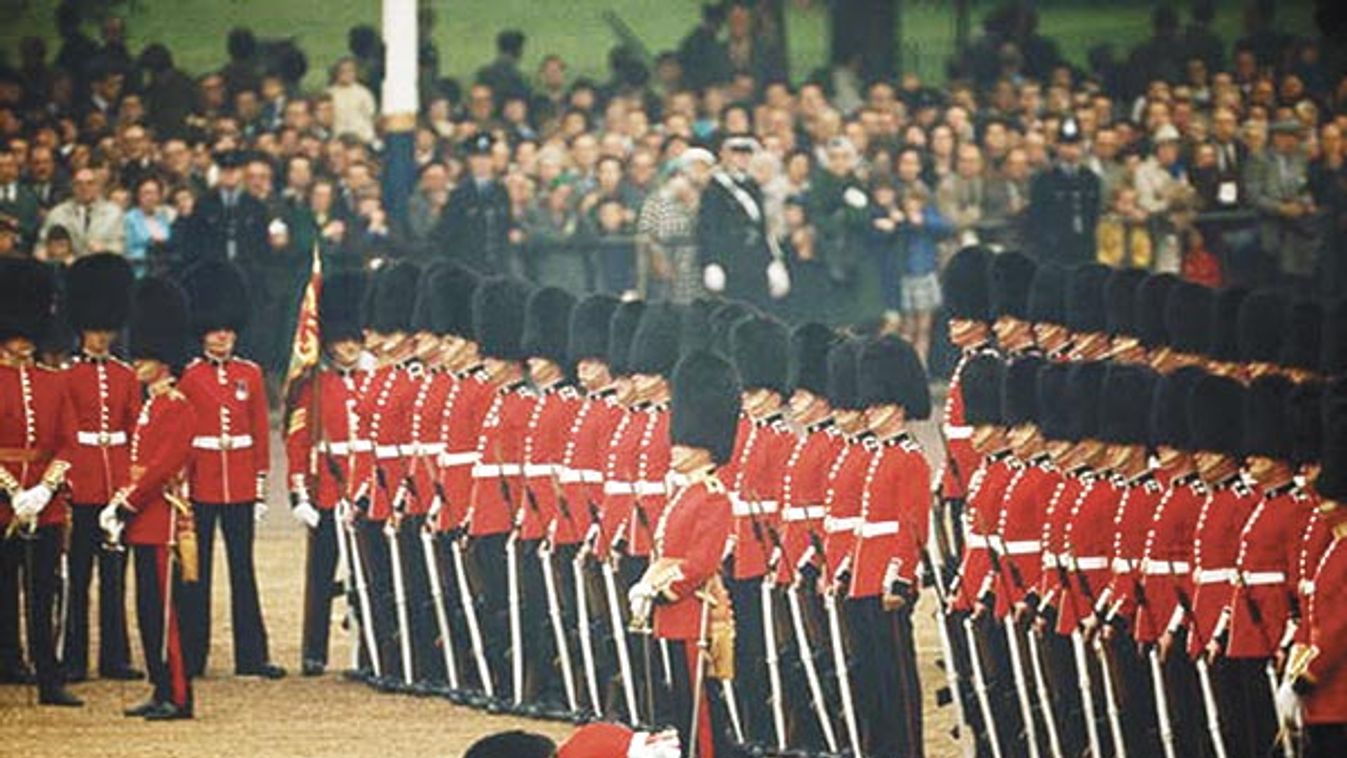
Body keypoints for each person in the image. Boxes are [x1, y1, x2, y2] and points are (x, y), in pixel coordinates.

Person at [629, 348, 740, 758]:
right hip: (672, 615)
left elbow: (701, 563)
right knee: (683, 702)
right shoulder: (686, 492)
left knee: (700, 707)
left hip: (694, 613)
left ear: (703, 446)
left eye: (682, 443)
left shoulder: (712, 496)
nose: (673, 449)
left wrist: (664, 590)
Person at [177, 261, 285, 680]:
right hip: (201, 484)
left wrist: (259, 488)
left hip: (240, 483)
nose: (222, 335)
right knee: (195, 572)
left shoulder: (250, 374)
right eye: (214, 329)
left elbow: (259, 433)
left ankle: (252, 656)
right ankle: (192, 654)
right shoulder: (189, 376)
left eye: (227, 329)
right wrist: (183, 489)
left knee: (243, 570)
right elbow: (183, 438)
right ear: (202, 331)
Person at [100, 275, 196, 721]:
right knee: (147, 611)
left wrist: (127, 503)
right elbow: (136, 465)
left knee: (163, 613)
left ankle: (177, 694)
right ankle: (159, 687)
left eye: (144, 355)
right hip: (142, 519)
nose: (136, 361)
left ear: (163, 359)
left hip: (161, 522)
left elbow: (161, 469)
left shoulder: (176, 406)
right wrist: (119, 501)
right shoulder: (150, 405)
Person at [0, 258, 81, 706]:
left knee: (44, 591)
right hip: (2, 501)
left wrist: (44, 490)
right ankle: (7, 662)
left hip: (44, 501)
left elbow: (69, 445)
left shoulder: (52, 383)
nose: (24, 344)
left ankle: (48, 675)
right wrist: (13, 491)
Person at [59, 254, 141, 683]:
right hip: (84, 484)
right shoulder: (67, 376)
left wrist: (129, 486)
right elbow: (67, 434)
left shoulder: (126, 376)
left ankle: (115, 656)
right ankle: (73, 657)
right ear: (82, 329)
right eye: (95, 330)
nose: (102, 338)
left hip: (116, 487)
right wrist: (69, 485)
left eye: (107, 330)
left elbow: (133, 429)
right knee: (78, 578)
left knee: (115, 577)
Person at [282, 270, 368, 677]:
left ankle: (367, 650)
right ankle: (313, 650)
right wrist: (299, 494)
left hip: (366, 490)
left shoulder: (374, 379)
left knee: (368, 575)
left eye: (354, 340)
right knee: (321, 576)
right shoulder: (314, 383)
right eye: (342, 340)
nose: (349, 347)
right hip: (328, 490)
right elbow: (298, 441)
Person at [1245, 119, 1322, 283]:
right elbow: (1253, 195)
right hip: (1271, 225)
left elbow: (1308, 186)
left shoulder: (1301, 157)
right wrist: (1280, 208)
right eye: (1289, 137)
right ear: (1277, 137)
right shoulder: (1259, 159)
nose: (1293, 141)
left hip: (1300, 227)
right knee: (1275, 278)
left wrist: (1305, 202)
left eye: (1296, 137)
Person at [1028, 118, 1101, 265]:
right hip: (1054, 247)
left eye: (1075, 145)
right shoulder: (1044, 179)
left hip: (1085, 245)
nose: (1071, 150)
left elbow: (1094, 213)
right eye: (1066, 145)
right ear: (1057, 146)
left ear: (1082, 146)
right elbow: (1038, 216)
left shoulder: (1091, 179)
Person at [436, 134, 512, 274]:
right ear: (470, 161)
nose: (482, 163)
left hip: (498, 265)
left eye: (486, 157)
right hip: (469, 265)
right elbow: (448, 233)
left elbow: (507, 224)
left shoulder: (501, 192)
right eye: (477, 158)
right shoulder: (459, 194)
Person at [38, 167, 124, 259]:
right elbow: (42, 244)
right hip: (66, 268)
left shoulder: (114, 213)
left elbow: (120, 247)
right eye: (78, 184)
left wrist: (104, 250)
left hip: (101, 266)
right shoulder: (57, 213)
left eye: (90, 183)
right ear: (72, 187)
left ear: (98, 186)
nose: (84, 188)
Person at [122, 176, 174, 276]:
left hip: (164, 270)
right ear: (138, 195)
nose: (151, 197)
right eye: (146, 193)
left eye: (155, 193)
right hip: (139, 272)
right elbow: (126, 250)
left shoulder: (164, 217)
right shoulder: (129, 219)